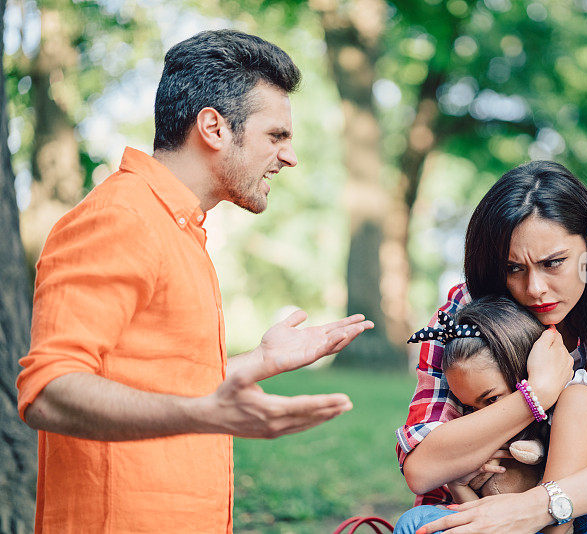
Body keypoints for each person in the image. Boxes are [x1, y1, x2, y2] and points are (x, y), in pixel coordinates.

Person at [16, 30, 373, 533]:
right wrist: (207, 415)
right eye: (276, 136)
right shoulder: (121, 219)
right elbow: (48, 389)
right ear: (213, 128)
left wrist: (263, 362)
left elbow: (160, 382)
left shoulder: (179, 227)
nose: (289, 157)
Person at [395, 160, 587, 533]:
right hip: (496, 505)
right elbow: (421, 469)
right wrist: (535, 395)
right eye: (514, 268)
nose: (535, 288)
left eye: (553, 263)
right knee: (418, 524)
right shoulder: (465, 318)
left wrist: (539, 506)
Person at [395, 296, 587, 533]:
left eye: (492, 399)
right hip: (552, 519)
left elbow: (554, 529)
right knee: (417, 521)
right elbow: (497, 518)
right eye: (471, 408)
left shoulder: (579, 402)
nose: (484, 416)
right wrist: (459, 486)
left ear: (527, 371)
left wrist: (534, 396)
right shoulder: (523, 433)